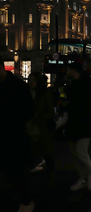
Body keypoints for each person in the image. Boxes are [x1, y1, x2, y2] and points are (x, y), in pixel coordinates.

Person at [0, 56, 35, 212]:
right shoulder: (17, 85)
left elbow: (28, 111)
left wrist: (12, 119)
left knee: (14, 171)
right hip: (8, 133)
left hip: (12, 135)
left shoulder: (18, 86)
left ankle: (26, 201)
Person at [64, 61, 91, 191]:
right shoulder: (72, 84)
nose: (66, 72)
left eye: (68, 69)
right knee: (75, 153)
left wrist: (83, 113)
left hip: (84, 123)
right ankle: (82, 177)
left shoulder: (88, 84)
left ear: (73, 70)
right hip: (73, 123)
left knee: (81, 151)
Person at [27, 72, 55, 184]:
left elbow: (50, 112)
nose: (31, 82)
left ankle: (50, 174)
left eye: (33, 79)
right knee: (32, 149)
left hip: (42, 127)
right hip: (31, 126)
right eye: (29, 79)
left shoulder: (45, 94)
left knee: (46, 152)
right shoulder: (28, 93)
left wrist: (37, 119)